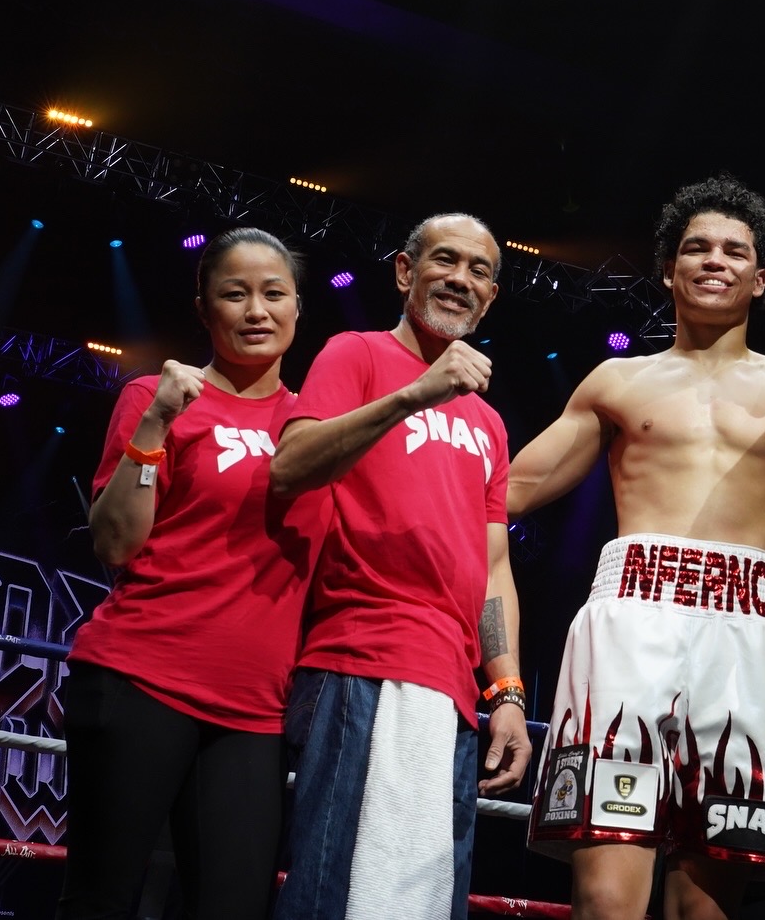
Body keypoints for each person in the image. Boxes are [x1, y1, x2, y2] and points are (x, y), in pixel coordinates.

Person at [510, 174, 765, 920]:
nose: (714, 260)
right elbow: (502, 490)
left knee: (706, 903)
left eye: (735, 251)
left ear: (761, 278)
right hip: (628, 624)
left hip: (746, 641)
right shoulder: (617, 381)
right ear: (668, 268)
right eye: (696, 247)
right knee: (605, 893)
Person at [58, 227, 332, 920]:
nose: (256, 310)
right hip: (140, 676)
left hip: (254, 710)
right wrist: (154, 422)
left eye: (274, 293)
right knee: (102, 899)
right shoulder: (156, 397)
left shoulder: (317, 427)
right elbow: (116, 544)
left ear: (299, 308)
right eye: (234, 294)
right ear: (204, 309)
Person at [267, 213, 531, 920]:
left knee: (422, 897)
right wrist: (417, 393)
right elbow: (289, 467)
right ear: (405, 272)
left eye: (479, 270)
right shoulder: (353, 355)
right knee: (331, 887)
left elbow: (492, 562)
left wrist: (505, 690)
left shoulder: (490, 423)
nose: (461, 279)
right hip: (356, 654)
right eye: (445, 261)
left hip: (449, 685)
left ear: (492, 297)